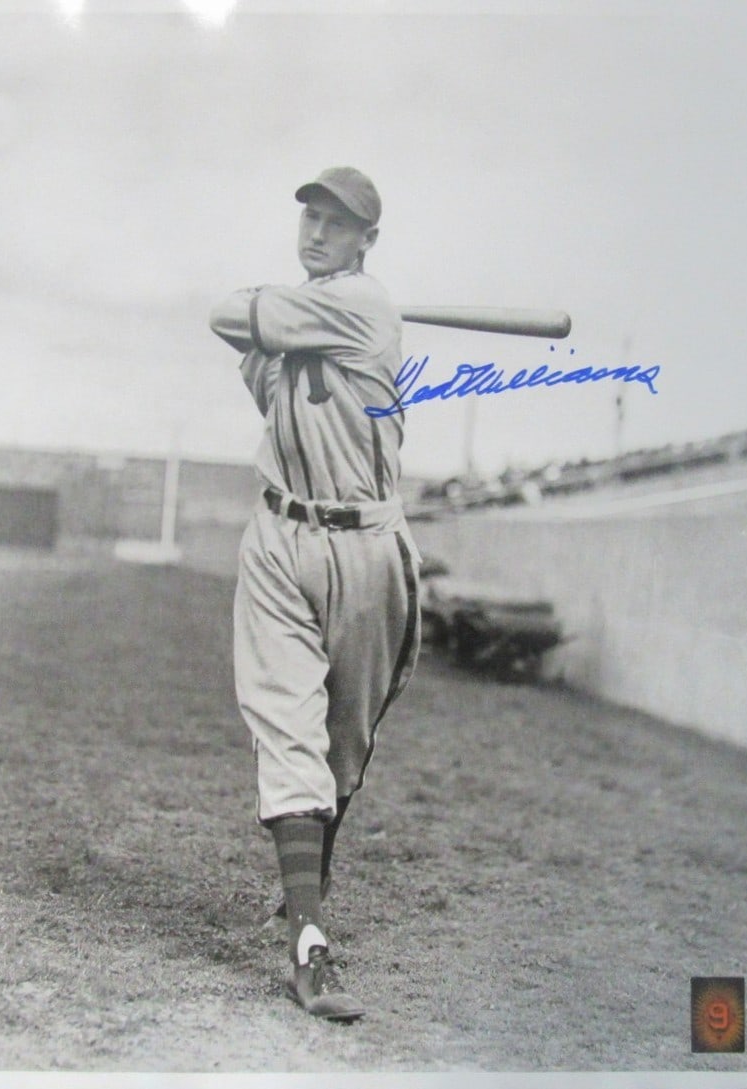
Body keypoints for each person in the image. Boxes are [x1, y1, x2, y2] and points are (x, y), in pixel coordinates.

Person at [209, 166, 421, 1021]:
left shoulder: (363, 304)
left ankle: (307, 885)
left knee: (342, 748)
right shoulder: (312, 313)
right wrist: (288, 323)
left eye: (337, 223)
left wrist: (285, 319)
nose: (317, 233)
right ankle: (308, 940)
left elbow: (233, 313)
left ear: (368, 239)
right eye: (310, 218)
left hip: (364, 544)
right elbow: (235, 329)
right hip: (278, 535)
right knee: (287, 732)